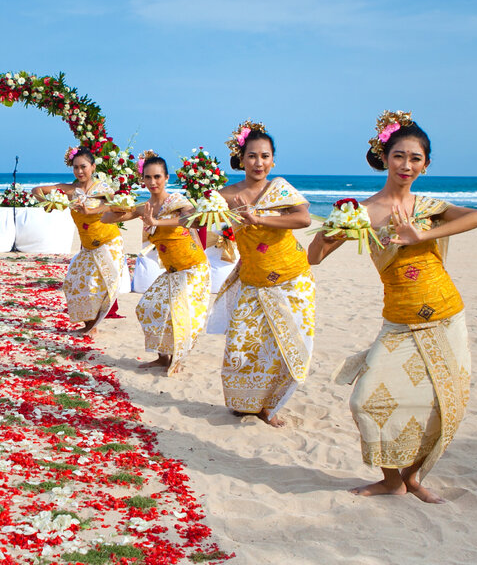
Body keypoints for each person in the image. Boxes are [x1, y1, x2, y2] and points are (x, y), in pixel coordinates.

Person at [308, 111, 477, 503]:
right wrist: (332, 229)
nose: (406, 165)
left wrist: (421, 234)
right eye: (399, 156)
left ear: (425, 165)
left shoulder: (428, 207)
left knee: (444, 404)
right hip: (400, 322)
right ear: (384, 158)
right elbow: (315, 256)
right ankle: (391, 479)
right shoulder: (364, 211)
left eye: (416, 158)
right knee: (366, 400)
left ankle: (412, 477)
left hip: (446, 315)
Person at [207, 121, 315, 428]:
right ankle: (245, 403)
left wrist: (260, 218)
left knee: (285, 345)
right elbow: (200, 218)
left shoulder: (279, 188)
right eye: (252, 156)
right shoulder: (226, 194)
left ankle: (270, 406)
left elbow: (303, 218)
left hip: (292, 277)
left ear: (273, 160)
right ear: (241, 159)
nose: (259, 163)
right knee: (243, 343)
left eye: (265, 156)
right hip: (252, 278)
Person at [104, 151, 210, 375]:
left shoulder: (177, 202)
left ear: (167, 178)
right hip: (172, 271)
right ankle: (163, 358)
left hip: (193, 268)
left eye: (157, 177)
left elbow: (191, 218)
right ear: (142, 179)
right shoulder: (145, 208)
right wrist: (116, 205)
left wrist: (157, 222)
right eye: (148, 177)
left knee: (179, 312)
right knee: (147, 307)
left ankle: (178, 358)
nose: (153, 182)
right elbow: (107, 219)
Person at [33, 147, 126, 334]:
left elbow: (120, 207)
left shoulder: (102, 189)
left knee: (95, 285)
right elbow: (37, 190)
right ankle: (88, 325)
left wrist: (91, 210)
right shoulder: (69, 190)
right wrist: (50, 202)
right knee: (73, 283)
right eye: (75, 167)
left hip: (109, 242)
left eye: (83, 166)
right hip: (87, 246)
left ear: (92, 167)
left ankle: (93, 327)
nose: (79, 171)